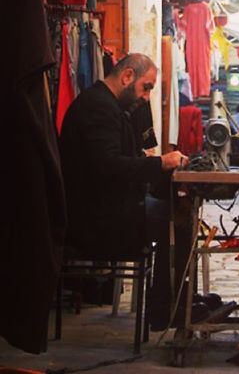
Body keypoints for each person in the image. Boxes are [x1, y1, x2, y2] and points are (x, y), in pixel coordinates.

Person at [59, 53, 191, 329]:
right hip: (96, 219)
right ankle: (167, 309)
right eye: (147, 87)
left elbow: (113, 159)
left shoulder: (106, 105)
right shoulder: (97, 107)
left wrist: (152, 164)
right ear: (127, 76)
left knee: (177, 210)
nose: (145, 97)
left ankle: (173, 305)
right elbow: (108, 166)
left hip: (106, 207)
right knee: (177, 219)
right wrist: (158, 163)